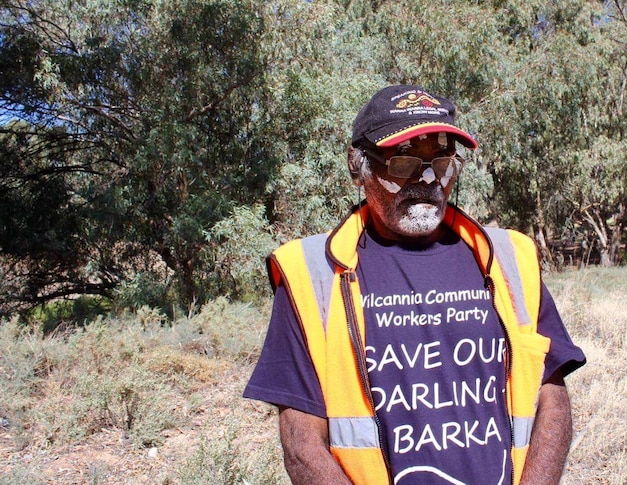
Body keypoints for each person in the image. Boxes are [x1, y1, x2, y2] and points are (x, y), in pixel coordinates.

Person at [243, 84, 586, 485]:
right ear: (358, 167)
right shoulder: (310, 274)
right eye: (402, 163)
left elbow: (552, 397)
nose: (426, 181)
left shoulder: (511, 258)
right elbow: (302, 444)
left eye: (440, 164)